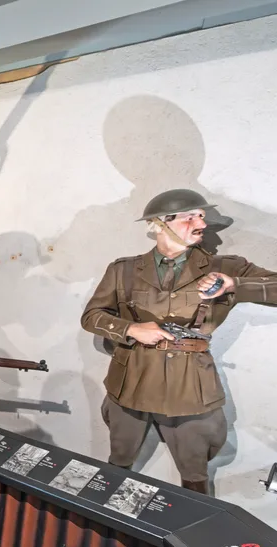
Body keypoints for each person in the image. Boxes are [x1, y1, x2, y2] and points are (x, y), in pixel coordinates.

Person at [81, 189, 277, 496]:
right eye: (190, 217)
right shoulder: (123, 270)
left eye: (202, 216)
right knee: (118, 460)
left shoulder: (226, 267)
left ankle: (193, 522)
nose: (202, 223)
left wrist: (235, 285)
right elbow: (92, 316)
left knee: (195, 471)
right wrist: (132, 329)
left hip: (191, 385)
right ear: (161, 223)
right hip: (130, 380)